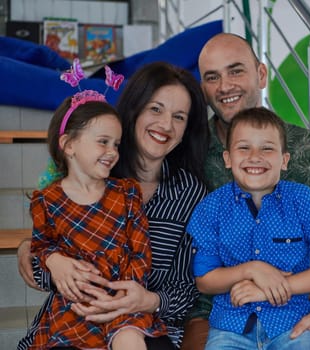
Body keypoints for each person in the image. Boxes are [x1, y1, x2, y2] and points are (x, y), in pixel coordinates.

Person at [17, 61, 210, 350]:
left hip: (143, 323)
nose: (166, 125)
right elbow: (43, 255)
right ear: (134, 110)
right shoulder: (92, 168)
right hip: (75, 317)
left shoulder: (189, 193)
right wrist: (49, 262)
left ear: (186, 129)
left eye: (179, 117)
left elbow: (186, 288)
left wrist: (148, 300)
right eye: (155, 109)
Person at [181, 33, 310, 350]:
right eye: (212, 77)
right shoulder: (188, 147)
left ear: (261, 74)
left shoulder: (306, 151)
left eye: (236, 71)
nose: (224, 86)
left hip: (289, 305)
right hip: (214, 312)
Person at [21, 87, 167, 349]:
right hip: (74, 306)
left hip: (122, 300)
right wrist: (54, 260)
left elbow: (141, 253)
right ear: (69, 145)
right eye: (103, 141)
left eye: (116, 144)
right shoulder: (47, 201)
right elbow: (41, 247)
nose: (112, 151)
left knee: (131, 338)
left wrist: (117, 292)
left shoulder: (126, 193)